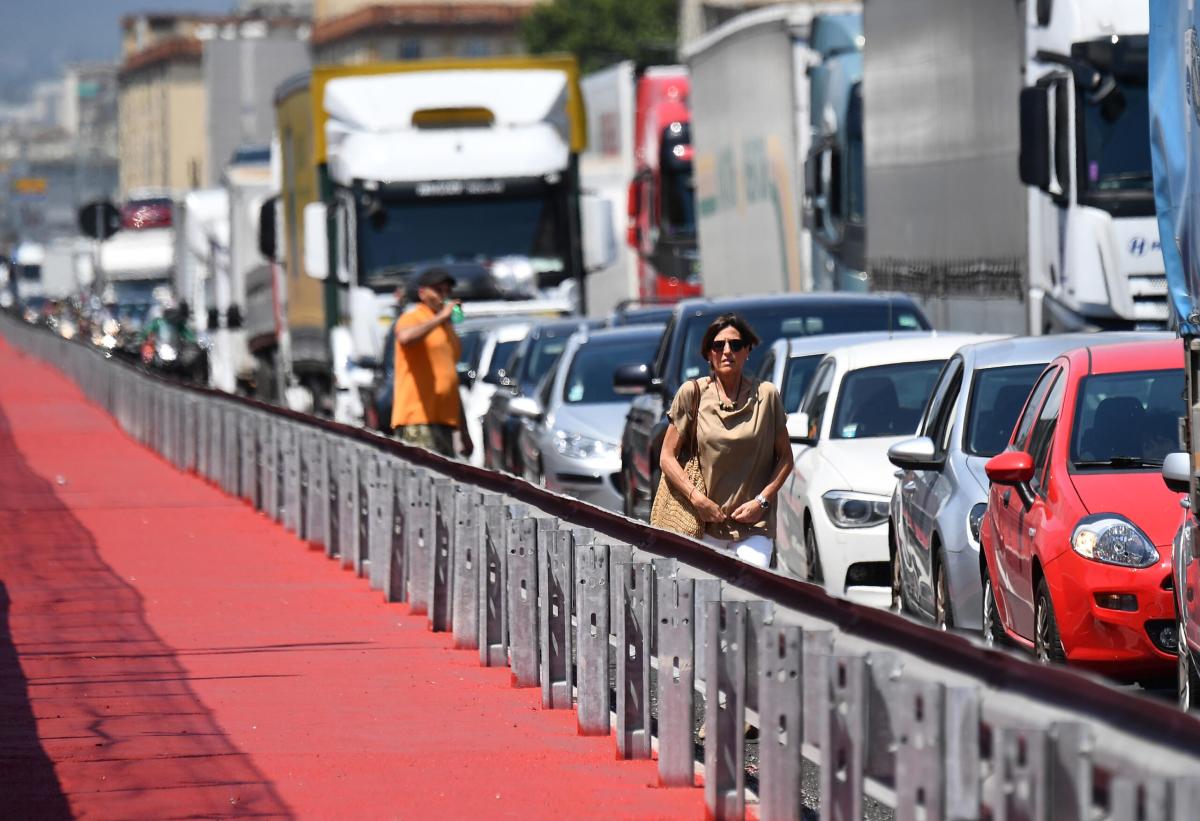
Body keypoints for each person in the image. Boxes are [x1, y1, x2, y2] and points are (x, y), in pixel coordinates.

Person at [659, 313, 793, 568]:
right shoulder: (693, 394)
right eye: (718, 345)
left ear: (747, 351)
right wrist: (697, 499)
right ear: (708, 353)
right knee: (706, 602)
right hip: (703, 525)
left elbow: (785, 458)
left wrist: (761, 501)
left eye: (736, 345)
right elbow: (667, 457)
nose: (727, 351)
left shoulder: (767, 396)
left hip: (754, 525)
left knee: (750, 592)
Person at [391, 268, 473, 459]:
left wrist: (463, 430)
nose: (443, 296)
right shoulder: (413, 318)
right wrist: (441, 317)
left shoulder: (447, 330)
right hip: (418, 419)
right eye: (438, 291)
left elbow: (450, 381)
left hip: (444, 421)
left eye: (447, 292)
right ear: (422, 293)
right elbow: (405, 337)